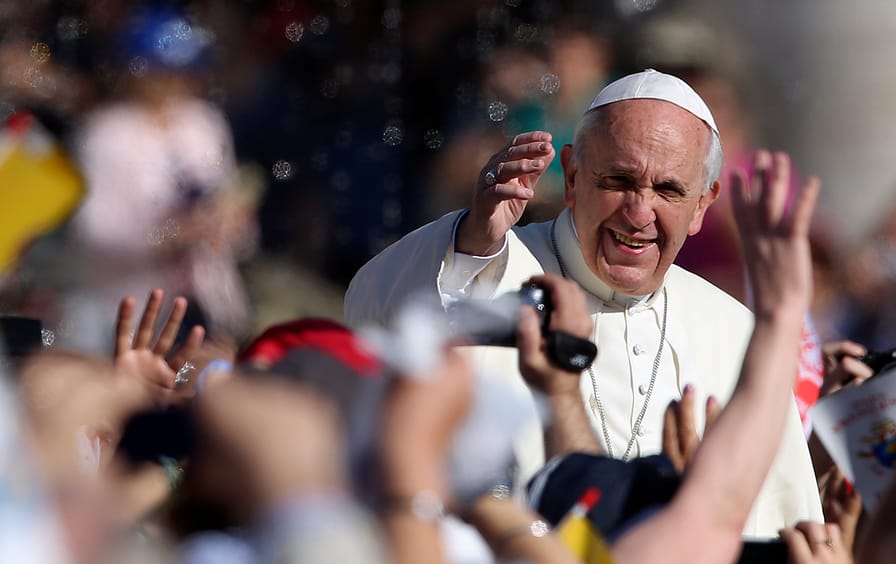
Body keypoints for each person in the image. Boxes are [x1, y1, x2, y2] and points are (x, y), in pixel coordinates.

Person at [345, 69, 823, 536]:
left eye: (668, 190)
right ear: (572, 176)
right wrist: (471, 241)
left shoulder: (735, 331)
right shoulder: (487, 268)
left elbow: (786, 523)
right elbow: (373, 318)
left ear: (702, 204)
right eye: (618, 180)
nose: (638, 214)